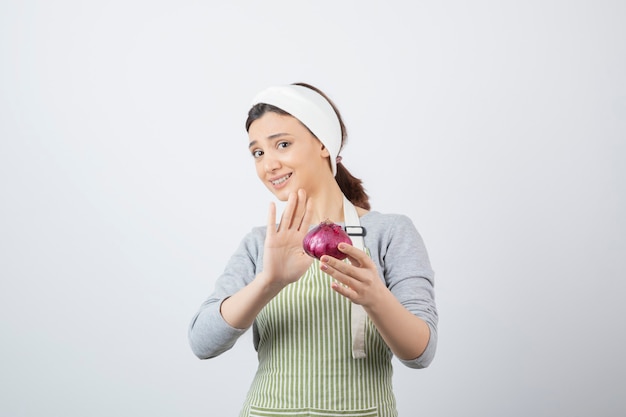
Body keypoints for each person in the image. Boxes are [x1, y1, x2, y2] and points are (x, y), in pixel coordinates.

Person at [188, 82, 438, 417]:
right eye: (258, 152)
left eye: (283, 144)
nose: (269, 164)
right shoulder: (260, 243)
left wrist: (374, 296)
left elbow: (421, 353)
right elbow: (202, 342)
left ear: (323, 143)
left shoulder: (388, 232)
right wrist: (268, 282)